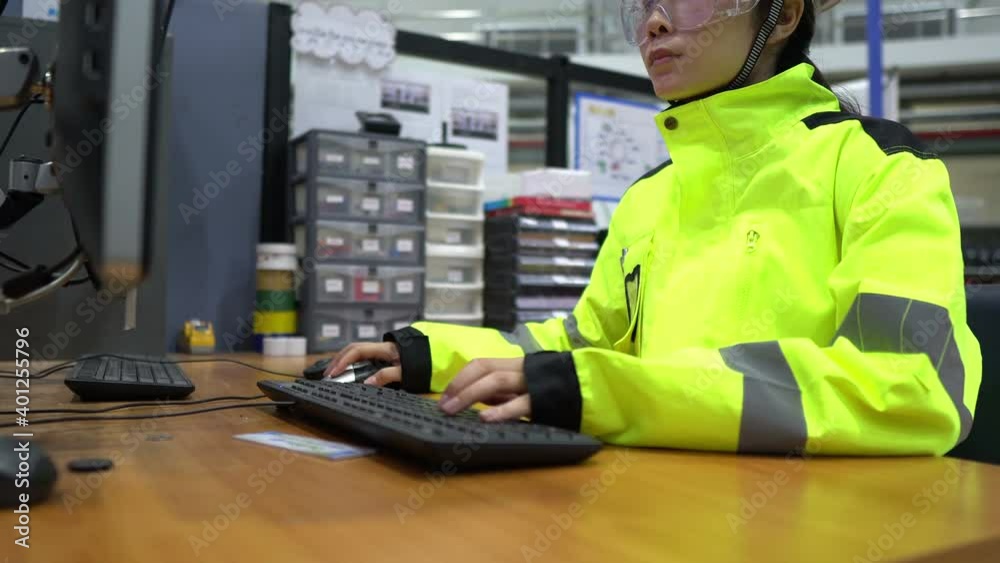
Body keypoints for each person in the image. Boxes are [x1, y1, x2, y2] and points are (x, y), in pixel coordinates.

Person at [327, 0, 981, 455]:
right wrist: (433, 355)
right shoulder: (649, 196)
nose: (655, 23)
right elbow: (580, 341)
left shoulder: (878, 166)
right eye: (643, 5)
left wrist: (614, 393)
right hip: (655, 497)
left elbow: (910, 387)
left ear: (783, 16)